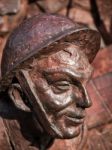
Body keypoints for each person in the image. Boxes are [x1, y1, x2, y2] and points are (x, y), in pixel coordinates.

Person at [0, 14, 100, 149]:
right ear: (20, 97)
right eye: (62, 85)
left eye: (85, 83)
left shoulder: (74, 139)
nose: (86, 102)